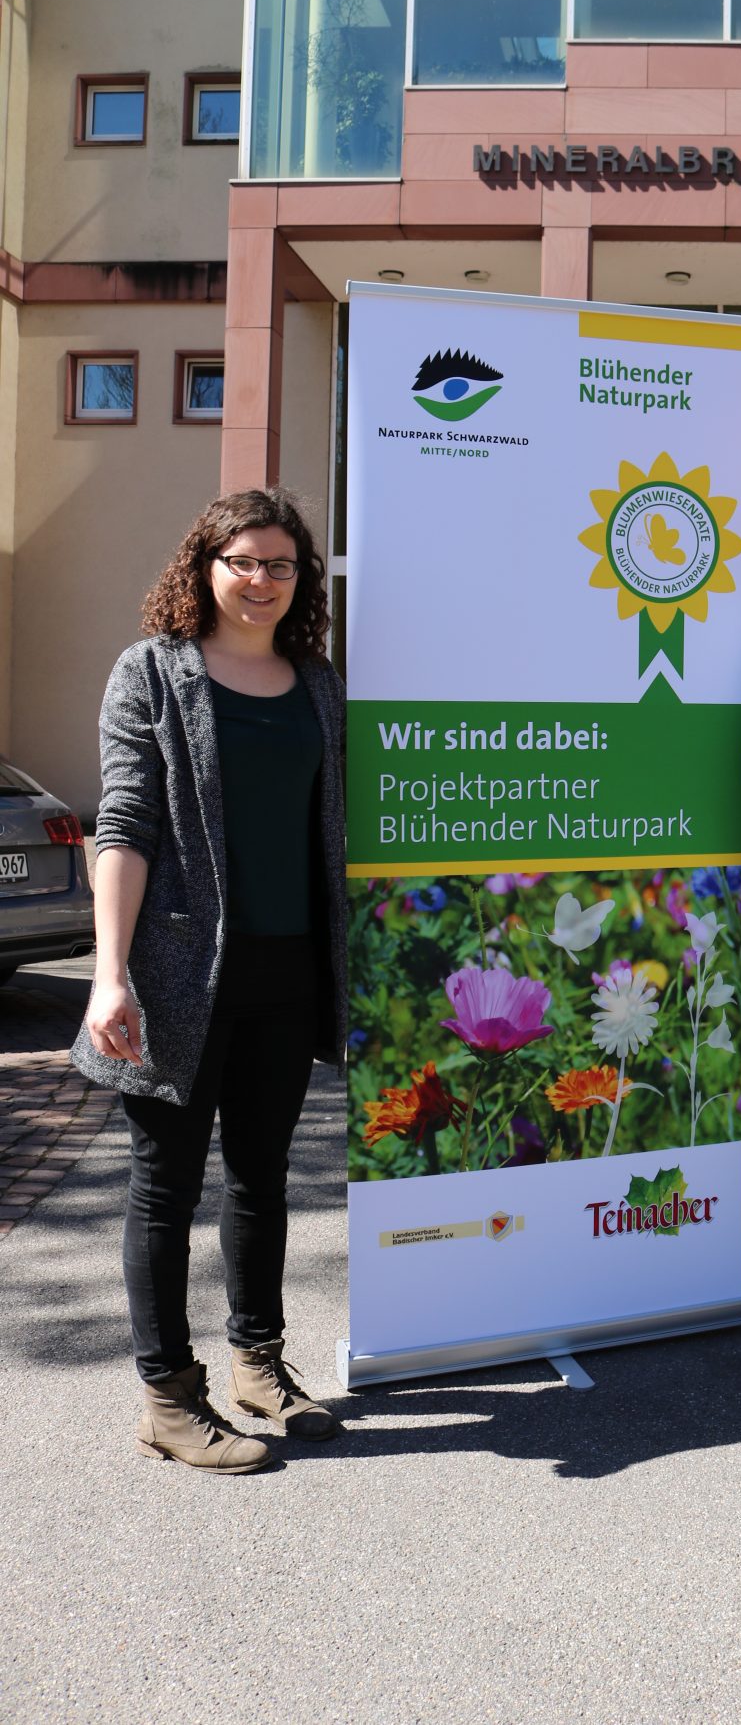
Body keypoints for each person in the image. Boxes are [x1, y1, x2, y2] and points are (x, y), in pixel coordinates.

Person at [71, 488, 348, 1470]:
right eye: (243, 561)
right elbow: (125, 827)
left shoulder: (314, 682)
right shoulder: (152, 673)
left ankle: (258, 1362)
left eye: (281, 564)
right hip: (176, 976)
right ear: (203, 567)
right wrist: (109, 977)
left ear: (299, 580)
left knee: (261, 1176)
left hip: (288, 970)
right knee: (163, 1186)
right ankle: (165, 1395)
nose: (262, 580)